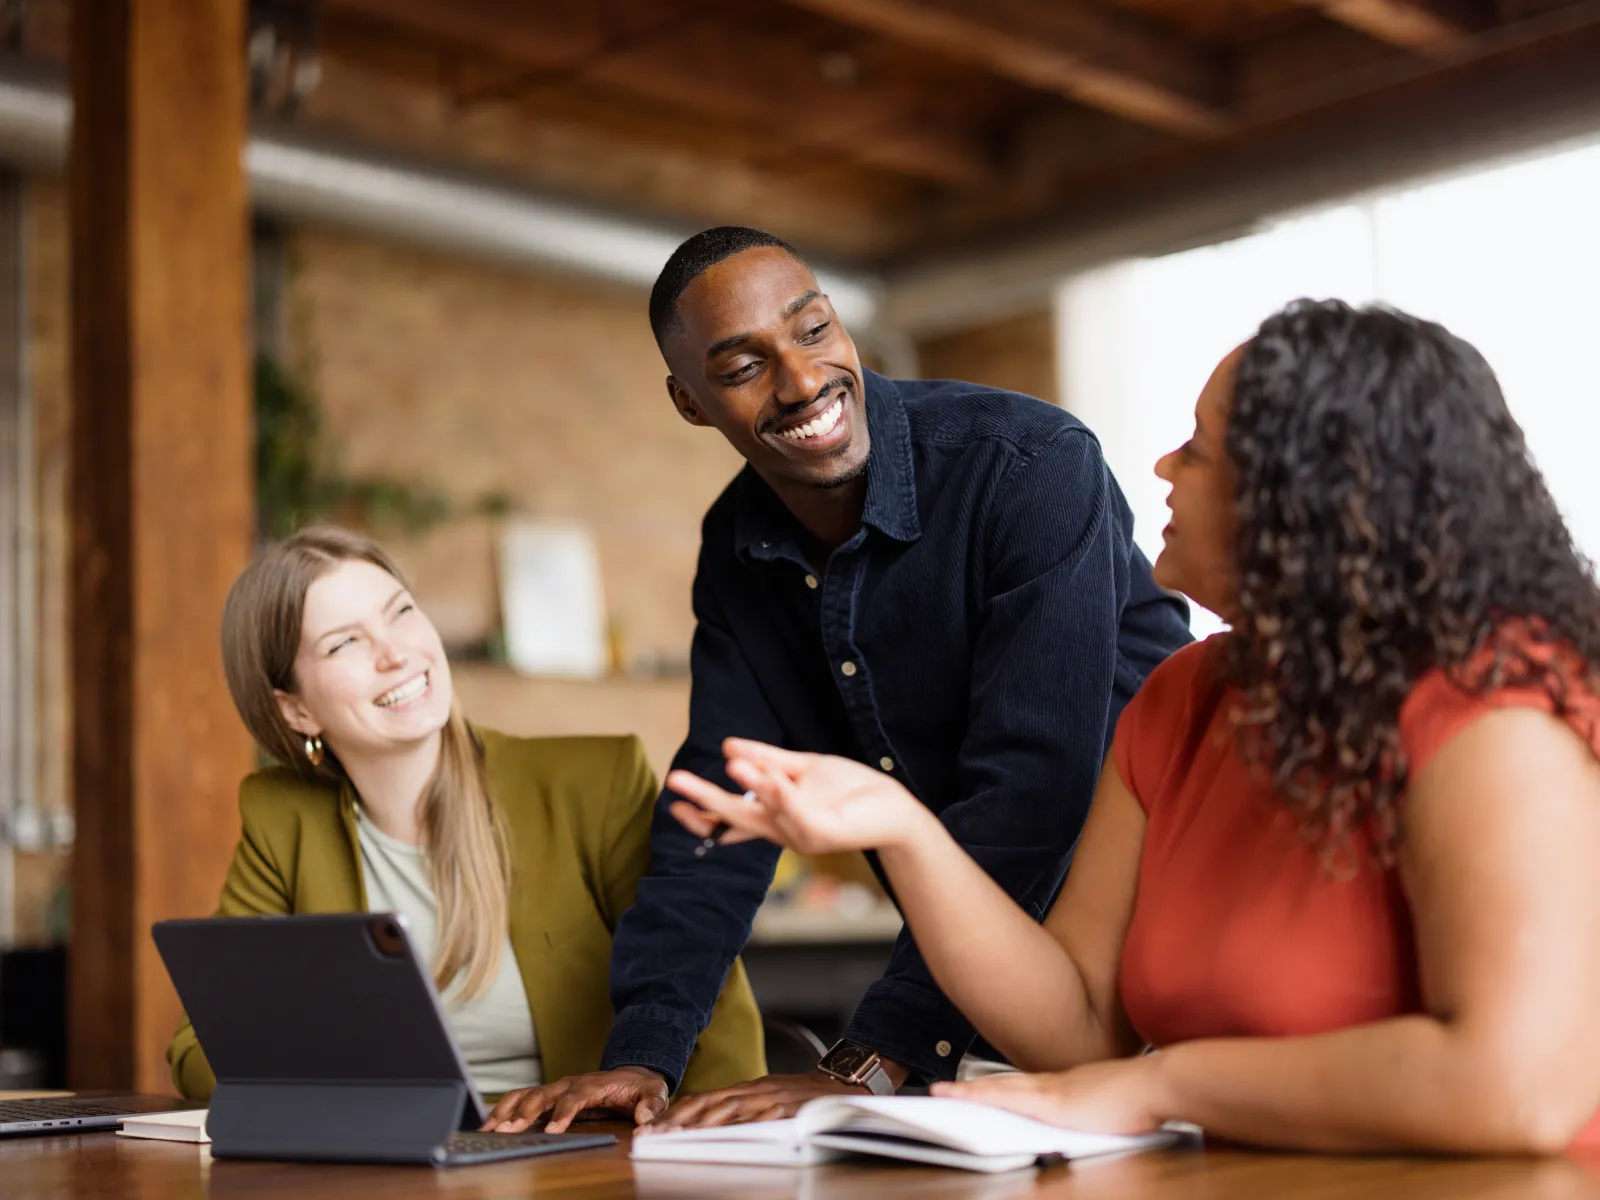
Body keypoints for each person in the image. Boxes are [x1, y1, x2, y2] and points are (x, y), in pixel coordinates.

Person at [659, 298, 1600, 1152]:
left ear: (1313, 504)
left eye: (1198, 447)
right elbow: (1077, 1019)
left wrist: (1164, 1084)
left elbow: (1516, 1090)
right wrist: (900, 828)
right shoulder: (1184, 699)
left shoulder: (1499, 706)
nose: (1161, 466)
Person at [482, 225, 1192, 1134]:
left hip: (1169, 957)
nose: (803, 380)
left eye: (813, 330)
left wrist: (877, 1056)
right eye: (743, 367)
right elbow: (721, 812)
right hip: (993, 1005)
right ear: (690, 403)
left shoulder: (1027, 466)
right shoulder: (738, 552)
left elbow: (1032, 792)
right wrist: (641, 1056)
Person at [167, 525, 765, 1120]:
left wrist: (721, 1159)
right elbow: (201, 1047)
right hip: (390, 1170)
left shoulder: (593, 784)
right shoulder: (282, 818)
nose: (395, 653)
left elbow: (712, 1018)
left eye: (400, 612)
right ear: (295, 709)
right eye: (344, 643)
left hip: (582, 1164)